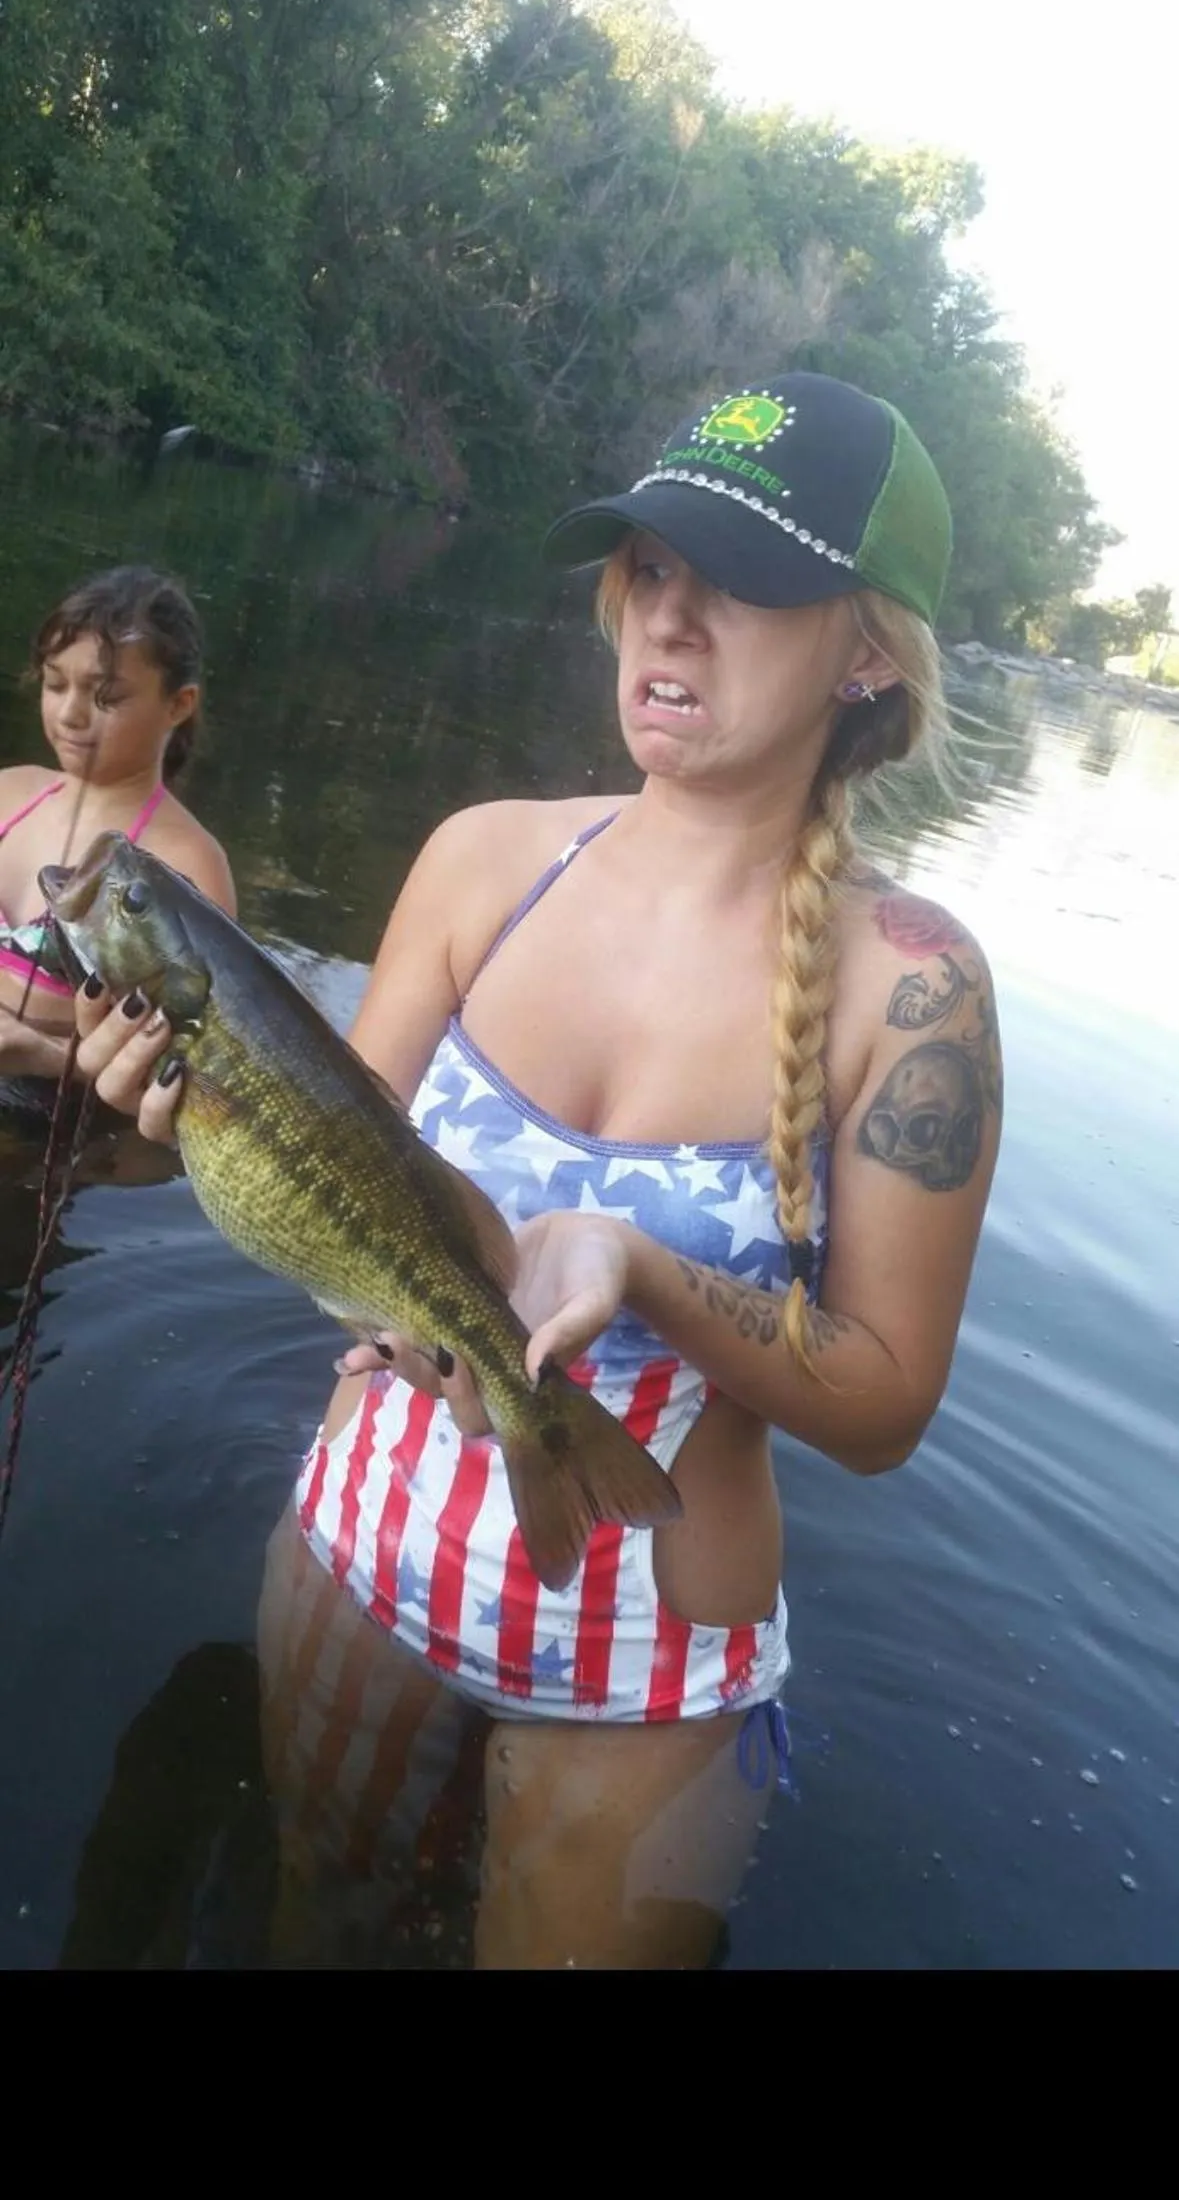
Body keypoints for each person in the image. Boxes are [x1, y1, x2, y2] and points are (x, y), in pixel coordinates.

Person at [73, 374, 1003, 1970]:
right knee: (321, 1927)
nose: (670, 618)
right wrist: (173, 1102)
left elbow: (883, 1399)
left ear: (865, 649)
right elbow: (331, 1164)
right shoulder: (483, 858)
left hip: (650, 1647)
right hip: (365, 1544)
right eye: (646, 569)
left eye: (744, 581)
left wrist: (642, 1270)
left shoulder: (910, 990)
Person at [0, 564, 235, 1130]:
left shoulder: (189, 868)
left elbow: (195, 1078)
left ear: (178, 705)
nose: (70, 713)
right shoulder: (10, 791)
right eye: (55, 684)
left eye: (105, 697)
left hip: (44, 1124)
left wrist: (41, 1055)